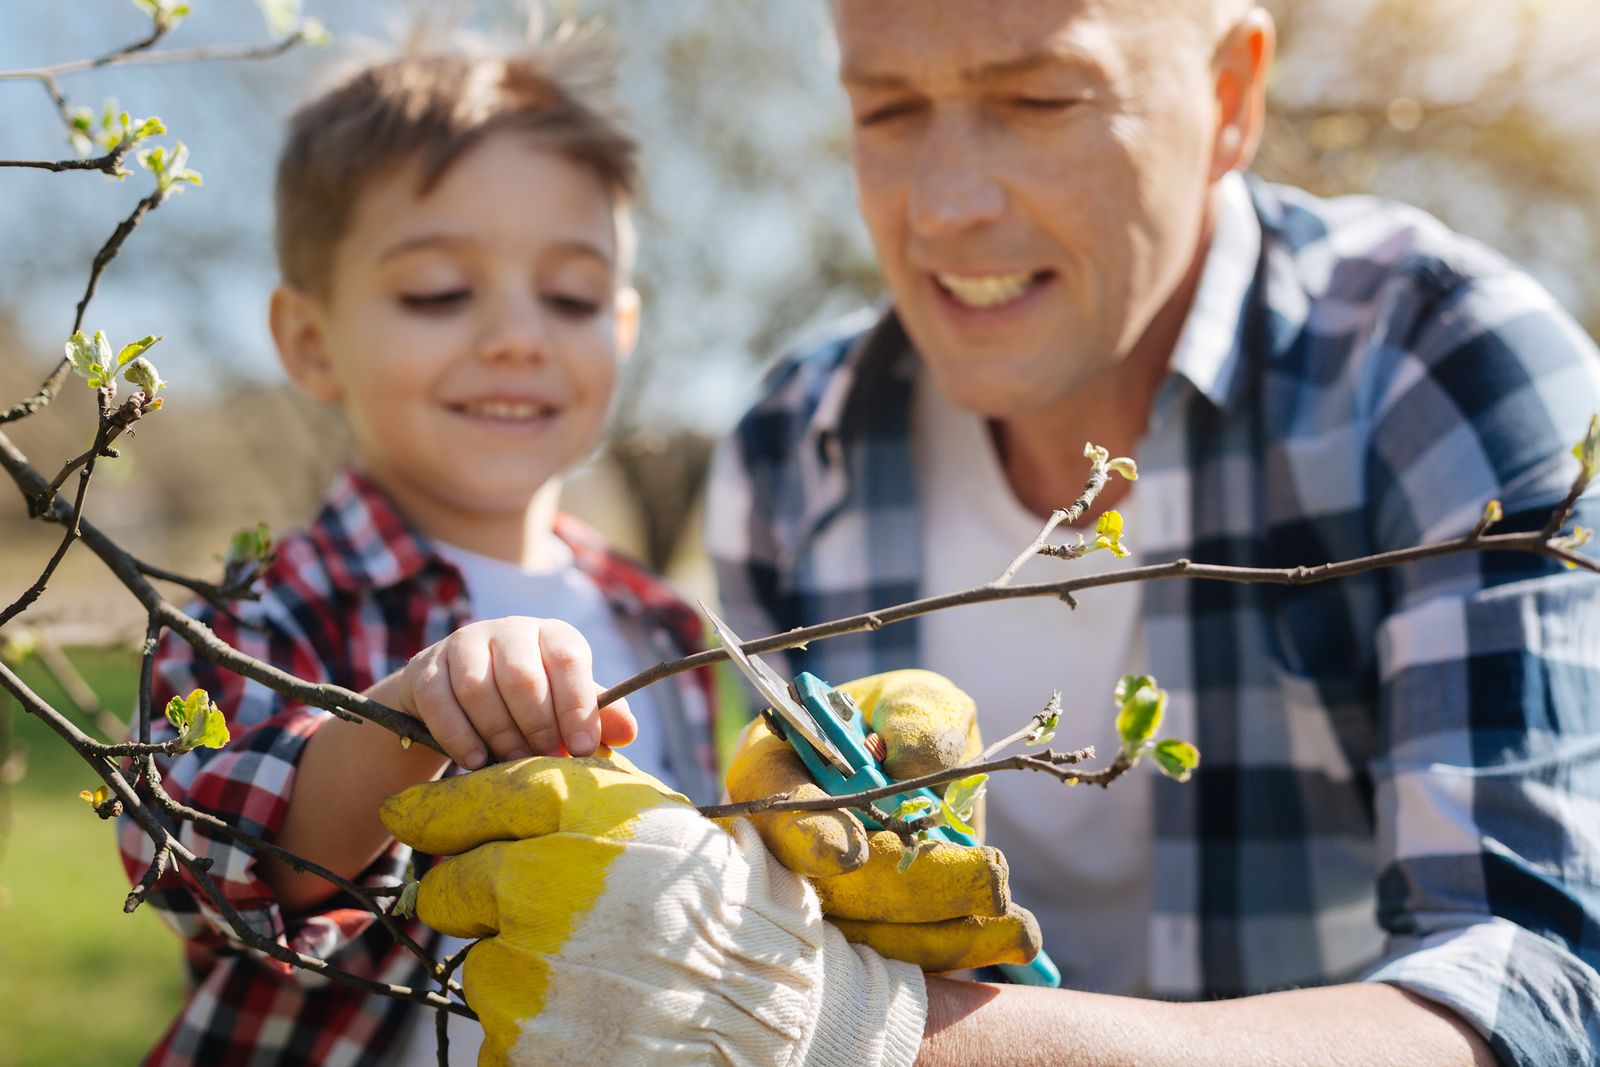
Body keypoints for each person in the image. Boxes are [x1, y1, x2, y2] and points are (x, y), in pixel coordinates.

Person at [386, 1, 1600, 1064]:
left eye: (1038, 97)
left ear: (1229, 97)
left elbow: (1541, 991)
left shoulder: (1443, 375)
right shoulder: (795, 448)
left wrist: (844, 1032)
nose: (945, 205)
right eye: (889, 108)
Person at [114, 35, 724, 1066]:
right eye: (440, 290)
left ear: (620, 330)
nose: (518, 335)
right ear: (310, 340)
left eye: (570, 297)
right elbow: (201, 858)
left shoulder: (659, 622)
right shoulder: (266, 608)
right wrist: (406, 716)